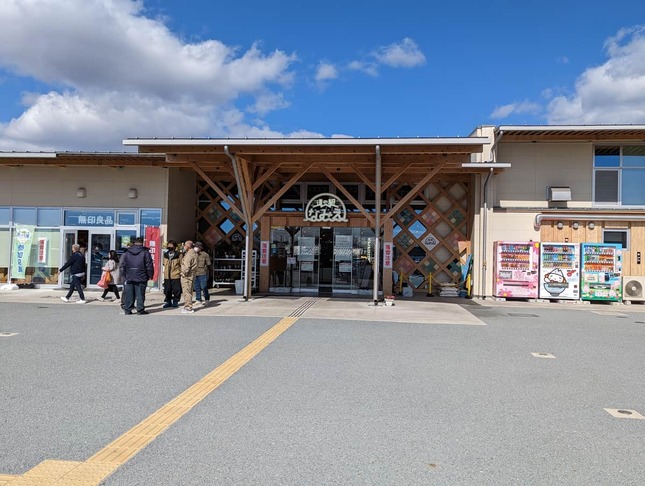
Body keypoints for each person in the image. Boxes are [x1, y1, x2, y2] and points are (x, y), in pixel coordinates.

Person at [119, 237, 154, 315]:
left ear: (134, 243)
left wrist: (124, 275)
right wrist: (150, 275)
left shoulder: (127, 252)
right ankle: (140, 309)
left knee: (129, 294)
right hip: (141, 276)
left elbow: (122, 266)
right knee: (140, 294)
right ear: (142, 243)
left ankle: (127, 309)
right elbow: (149, 265)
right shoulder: (145, 252)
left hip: (129, 276)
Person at [162, 240, 182, 308]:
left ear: (174, 246)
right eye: (168, 245)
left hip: (175, 275)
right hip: (167, 275)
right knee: (167, 290)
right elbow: (164, 264)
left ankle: (175, 301)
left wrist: (180, 272)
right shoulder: (165, 254)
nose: (169, 246)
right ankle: (168, 301)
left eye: (171, 245)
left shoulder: (179, 255)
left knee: (176, 289)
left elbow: (181, 264)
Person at [180, 240, 198, 314]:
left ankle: (188, 307)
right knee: (189, 291)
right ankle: (188, 306)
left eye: (184, 245)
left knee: (186, 291)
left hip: (187, 276)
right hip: (192, 275)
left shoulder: (189, 255)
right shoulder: (195, 253)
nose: (184, 246)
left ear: (187, 246)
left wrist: (183, 273)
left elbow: (186, 267)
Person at [194, 241, 211, 306]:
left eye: (197, 247)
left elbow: (208, 264)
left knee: (204, 287)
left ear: (200, 247)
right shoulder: (193, 254)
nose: (196, 248)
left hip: (202, 273)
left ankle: (206, 299)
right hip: (195, 273)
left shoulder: (205, 255)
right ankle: (198, 299)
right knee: (196, 287)